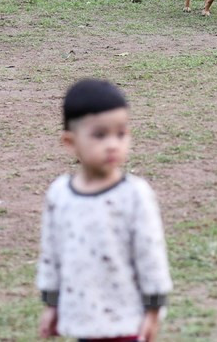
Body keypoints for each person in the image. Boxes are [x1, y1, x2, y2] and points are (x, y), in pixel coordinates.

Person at [37, 79, 172, 341]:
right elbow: (51, 254)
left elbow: (151, 255)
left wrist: (154, 309)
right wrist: (52, 303)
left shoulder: (135, 195)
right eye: (100, 135)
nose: (112, 144)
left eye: (120, 134)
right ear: (70, 142)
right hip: (82, 320)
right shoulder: (59, 195)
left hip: (127, 323)